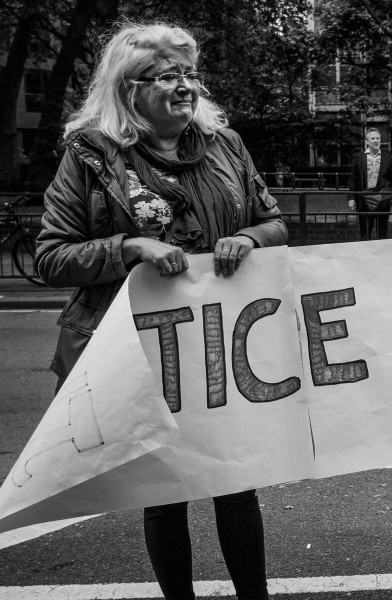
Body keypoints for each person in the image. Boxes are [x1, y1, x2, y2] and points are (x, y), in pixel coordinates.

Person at [33, 23, 285, 600]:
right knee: (165, 496)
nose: (186, 86)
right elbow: (51, 255)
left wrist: (248, 236)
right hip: (137, 354)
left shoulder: (226, 145)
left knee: (236, 484)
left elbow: (274, 220)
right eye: (169, 75)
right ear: (129, 89)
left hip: (219, 347)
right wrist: (130, 249)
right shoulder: (91, 156)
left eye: (190, 74)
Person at [348, 128, 392, 240]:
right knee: (365, 233)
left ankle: (382, 256)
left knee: (382, 233)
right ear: (367, 141)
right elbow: (353, 179)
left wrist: (388, 195)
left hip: (382, 200)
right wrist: (351, 198)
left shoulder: (388, 158)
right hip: (364, 200)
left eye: (378, 138)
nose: (375, 141)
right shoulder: (358, 158)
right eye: (372, 138)